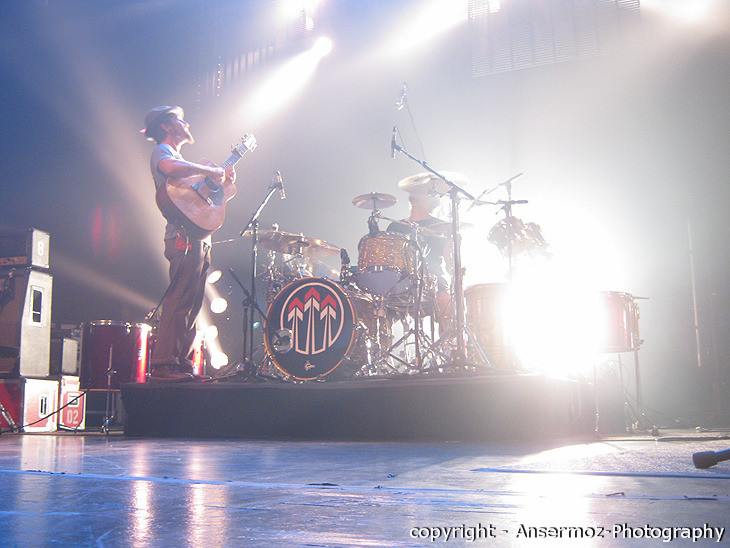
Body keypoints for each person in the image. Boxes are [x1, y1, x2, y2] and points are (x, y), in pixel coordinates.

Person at [142, 105, 236, 381]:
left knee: (193, 303)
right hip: (182, 239)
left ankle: (180, 362)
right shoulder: (164, 152)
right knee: (179, 300)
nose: (188, 125)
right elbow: (170, 167)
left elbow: (211, 198)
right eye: (181, 121)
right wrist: (209, 169)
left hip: (198, 239)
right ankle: (163, 365)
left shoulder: (185, 166)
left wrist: (224, 181)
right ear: (168, 127)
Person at [386, 191, 452, 321]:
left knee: (446, 301)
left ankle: (448, 340)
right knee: (380, 304)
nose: (415, 191)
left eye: (421, 190)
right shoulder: (395, 226)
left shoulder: (442, 227)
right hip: (400, 281)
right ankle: (383, 338)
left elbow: (450, 262)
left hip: (433, 281)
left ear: (430, 199)